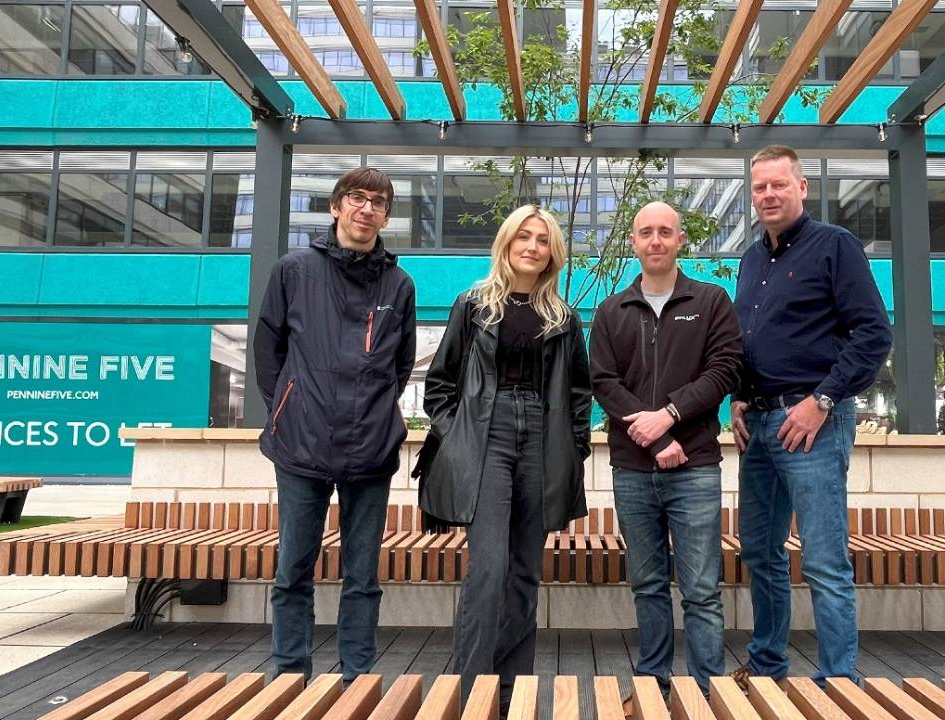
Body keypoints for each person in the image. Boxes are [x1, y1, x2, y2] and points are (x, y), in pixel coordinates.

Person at [730, 145, 893, 686]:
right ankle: (768, 660)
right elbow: (750, 340)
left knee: (823, 559)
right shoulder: (752, 260)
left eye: (779, 184)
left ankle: (839, 681)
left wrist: (821, 400)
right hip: (761, 425)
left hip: (814, 422)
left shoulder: (836, 246)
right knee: (760, 550)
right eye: (760, 187)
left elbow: (874, 334)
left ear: (802, 188)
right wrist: (739, 394)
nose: (769, 195)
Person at [420, 205, 592, 706]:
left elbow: (579, 394)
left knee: (524, 570)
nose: (533, 247)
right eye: (525, 237)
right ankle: (473, 688)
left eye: (543, 240)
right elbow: (440, 384)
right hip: (486, 434)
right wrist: (459, 437)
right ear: (507, 242)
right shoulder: (473, 305)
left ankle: (513, 685)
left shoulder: (563, 317)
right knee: (489, 567)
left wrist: (574, 446)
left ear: (552, 253)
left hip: (542, 435)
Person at [253, 166, 417, 680]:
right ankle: (288, 673)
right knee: (293, 570)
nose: (367, 208)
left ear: (386, 215)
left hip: (369, 450)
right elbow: (268, 350)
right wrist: (291, 404)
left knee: (362, 576)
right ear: (336, 206)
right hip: (301, 445)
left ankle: (357, 677)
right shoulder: (294, 270)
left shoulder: (399, 282)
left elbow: (401, 363)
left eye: (379, 202)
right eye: (357, 198)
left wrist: (375, 409)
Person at [590, 201, 742, 701]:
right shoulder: (612, 311)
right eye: (645, 233)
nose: (655, 241)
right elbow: (604, 383)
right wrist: (656, 437)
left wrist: (671, 415)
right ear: (633, 242)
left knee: (701, 590)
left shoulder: (712, 300)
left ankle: (708, 690)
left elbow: (724, 371)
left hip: (695, 465)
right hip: (633, 468)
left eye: (665, 232)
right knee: (648, 583)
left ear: (681, 241)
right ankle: (653, 682)